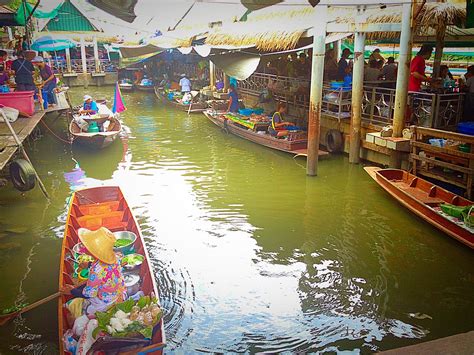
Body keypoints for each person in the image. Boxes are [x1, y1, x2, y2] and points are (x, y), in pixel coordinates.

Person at [64, 227, 126, 315]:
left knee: (74, 305)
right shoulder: (116, 257)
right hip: (119, 292)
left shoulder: (96, 272)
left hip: (106, 301)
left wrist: (72, 291)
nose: (85, 247)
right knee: (83, 287)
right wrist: (89, 264)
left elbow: (89, 294)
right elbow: (104, 268)